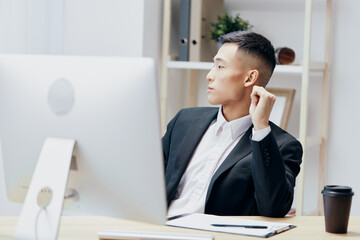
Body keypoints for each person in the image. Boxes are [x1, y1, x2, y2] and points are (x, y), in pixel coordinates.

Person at [162, 31, 303, 217]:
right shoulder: (184, 121)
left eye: (220, 67)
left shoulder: (281, 145)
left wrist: (260, 128)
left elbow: (274, 208)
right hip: (160, 228)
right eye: (214, 65)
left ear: (249, 78)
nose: (210, 76)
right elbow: (149, 179)